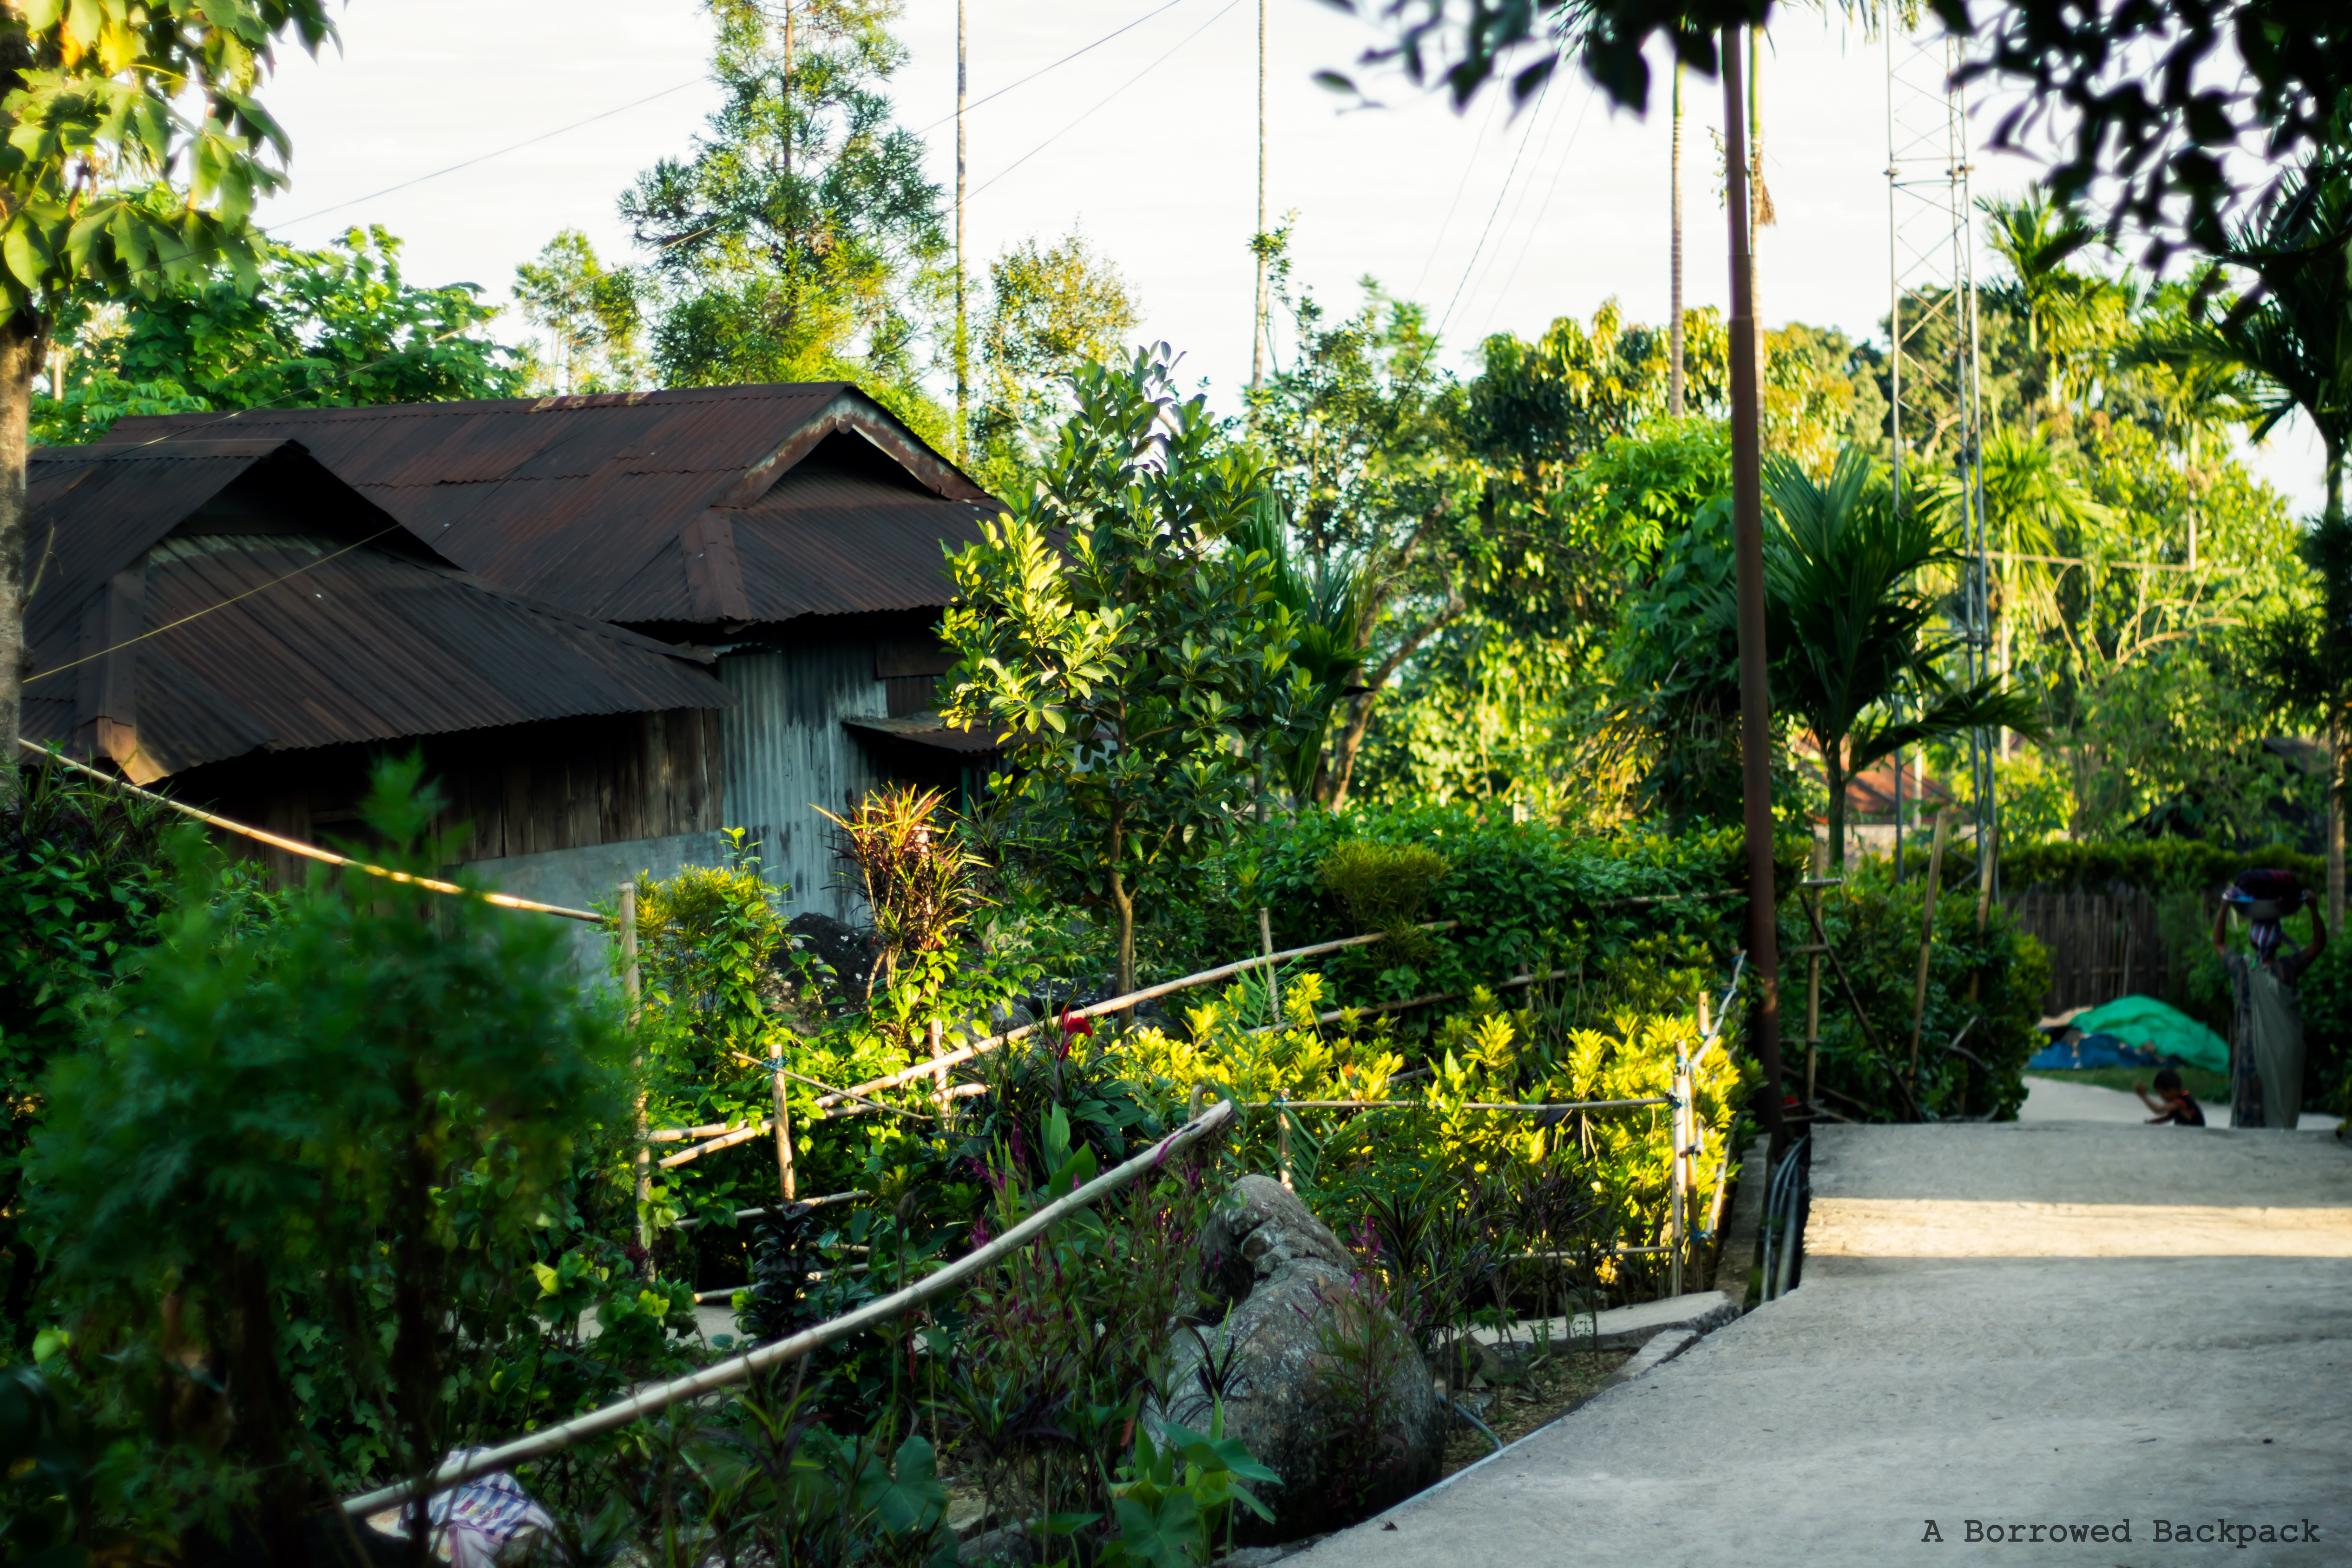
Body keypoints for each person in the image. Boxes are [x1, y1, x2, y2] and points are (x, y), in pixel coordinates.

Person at [2211, 871, 2326, 1131]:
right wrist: (2313, 909)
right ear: (2279, 941)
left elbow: (2218, 942)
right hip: (2285, 1050)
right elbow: (2319, 943)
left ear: (2252, 941)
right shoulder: (2288, 968)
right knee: (2281, 1106)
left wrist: (2225, 905)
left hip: (2250, 1049)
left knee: (2249, 1106)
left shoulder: (2241, 968)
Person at [2132, 1067, 2207, 1127]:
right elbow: (2167, 1118)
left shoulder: (2180, 1102)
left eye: (2162, 1094)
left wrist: (2143, 1095)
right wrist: (2150, 1123)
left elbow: (2158, 1110)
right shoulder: (2183, 1099)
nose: (2162, 1097)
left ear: (2172, 1091)